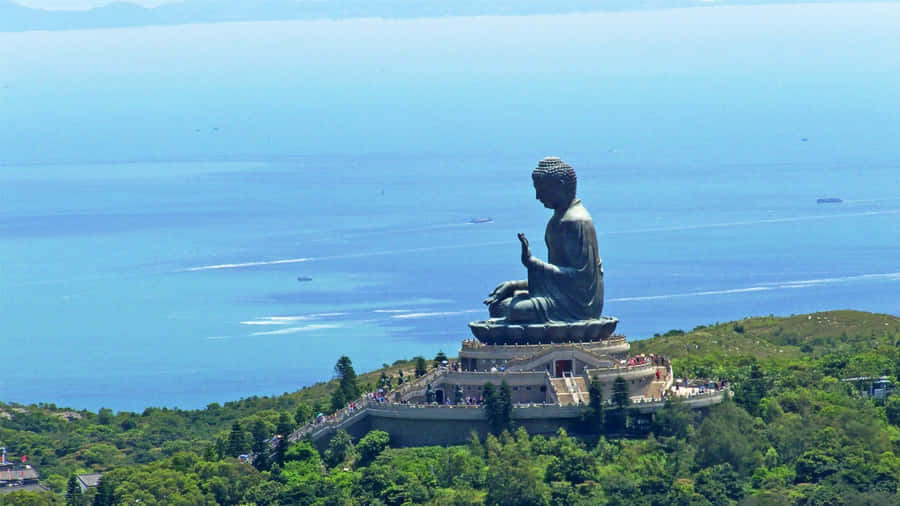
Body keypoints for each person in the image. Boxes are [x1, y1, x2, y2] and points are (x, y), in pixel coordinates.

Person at [483, 157, 604, 323]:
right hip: (561, 298)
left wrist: (532, 263)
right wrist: (514, 285)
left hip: (578, 307)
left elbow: (580, 280)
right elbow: (556, 279)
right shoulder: (558, 219)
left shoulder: (575, 221)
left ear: (560, 185)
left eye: (541, 190)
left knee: (516, 310)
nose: (537, 196)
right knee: (499, 306)